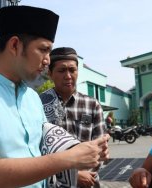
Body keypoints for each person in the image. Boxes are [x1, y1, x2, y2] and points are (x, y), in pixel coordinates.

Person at [0, 5, 109, 188]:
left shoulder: (32, 97)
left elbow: (44, 151)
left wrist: (84, 150)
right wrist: (70, 158)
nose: (47, 60)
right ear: (15, 45)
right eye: (43, 50)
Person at [40, 47, 106, 187]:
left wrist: (85, 174)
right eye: (62, 70)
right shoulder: (39, 104)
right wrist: (72, 176)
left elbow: (100, 148)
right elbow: (37, 151)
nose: (68, 76)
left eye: (72, 70)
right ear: (50, 73)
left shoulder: (92, 105)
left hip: (89, 182)